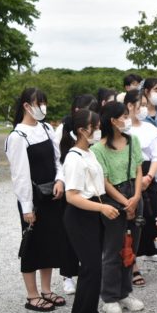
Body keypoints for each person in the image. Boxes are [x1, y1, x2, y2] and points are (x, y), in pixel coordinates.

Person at [5, 88, 69, 313]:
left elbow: (58, 160)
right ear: (26, 106)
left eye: (44, 102)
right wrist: (27, 207)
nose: (43, 107)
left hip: (52, 194)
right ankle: (32, 295)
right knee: (32, 245)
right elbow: (20, 175)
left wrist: (60, 180)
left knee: (50, 242)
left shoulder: (46, 128)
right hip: (33, 199)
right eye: (38, 103)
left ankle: (46, 289)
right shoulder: (17, 136)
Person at [60, 109, 118, 313]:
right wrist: (102, 208)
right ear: (82, 130)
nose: (99, 130)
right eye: (95, 127)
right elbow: (72, 196)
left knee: (96, 266)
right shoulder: (74, 158)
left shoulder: (89, 152)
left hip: (93, 211)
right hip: (80, 215)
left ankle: (91, 312)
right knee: (90, 267)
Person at [91, 102, 145, 313]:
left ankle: (125, 292)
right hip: (114, 199)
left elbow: (139, 170)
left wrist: (137, 197)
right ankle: (109, 296)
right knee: (113, 248)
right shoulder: (98, 149)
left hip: (134, 194)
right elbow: (104, 182)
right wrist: (126, 203)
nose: (127, 120)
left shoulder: (133, 141)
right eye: (124, 116)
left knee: (131, 247)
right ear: (113, 121)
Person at [52, 94, 98, 294]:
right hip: (69, 185)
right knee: (68, 236)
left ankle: (86, 277)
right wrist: (59, 179)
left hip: (86, 189)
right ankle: (68, 275)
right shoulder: (63, 129)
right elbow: (57, 158)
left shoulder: (91, 139)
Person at [124, 89, 157, 282]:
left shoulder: (149, 128)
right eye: (139, 105)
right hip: (128, 177)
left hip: (149, 175)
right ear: (129, 105)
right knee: (132, 223)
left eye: (144, 104)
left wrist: (149, 177)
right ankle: (133, 265)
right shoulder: (123, 129)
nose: (143, 108)